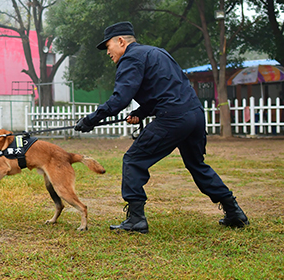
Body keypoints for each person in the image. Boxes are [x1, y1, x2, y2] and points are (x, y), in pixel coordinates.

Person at [75, 21, 249, 233]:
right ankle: (234, 212)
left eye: (108, 46)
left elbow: (120, 98)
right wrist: (140, 113)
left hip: (173, 117)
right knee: (197, 164)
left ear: (121, 41)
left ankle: (136, 219)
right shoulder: (158, 53)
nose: (108, 52)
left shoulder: (130, 58)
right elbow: (165, 90)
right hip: (194, 114)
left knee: (133, 160)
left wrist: (91, 120)